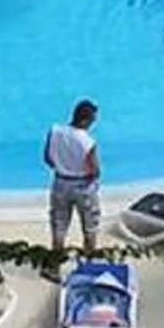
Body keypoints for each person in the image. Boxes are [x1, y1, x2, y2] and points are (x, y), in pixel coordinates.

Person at [42, 99, 102, 269]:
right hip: (83, 186)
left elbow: (47, 159)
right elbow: (95, 170)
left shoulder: (55, 131)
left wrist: (63, 166)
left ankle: (55, 265)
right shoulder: (88, 142)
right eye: (92, 120)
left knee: (59, 225)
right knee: (90, 226)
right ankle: (88, 264)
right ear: (85, 120)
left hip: (60, 182)